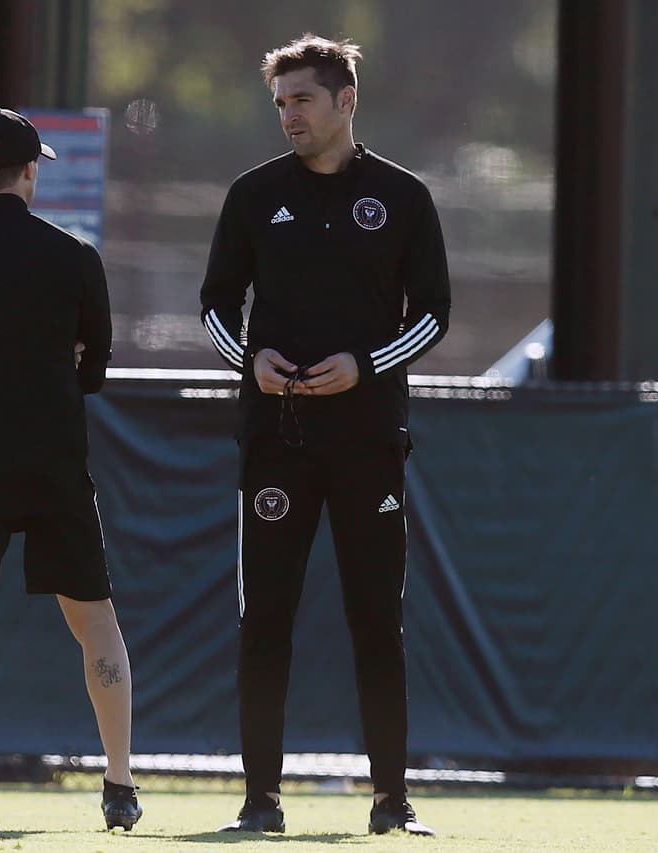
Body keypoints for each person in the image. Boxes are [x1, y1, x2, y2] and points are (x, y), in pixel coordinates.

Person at [200, 35, 450, 837]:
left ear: (346, 101)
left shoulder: (404, 197)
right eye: (280, 103)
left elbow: (436, 312)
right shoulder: (251, 195)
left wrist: (365, 365)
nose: (288, 116)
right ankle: (260, 800)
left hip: (370, 440)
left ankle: (391, 800)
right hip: (276, 438)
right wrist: (254, 360)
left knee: (377, 616)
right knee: (264, 617)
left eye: (302, 100)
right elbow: (214, 302)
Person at [0, 108, 140, 832]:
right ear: (31, 172)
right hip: (51, 460)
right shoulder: (73, 256)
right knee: (95, 620)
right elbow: (94, 368)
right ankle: (119, 784)